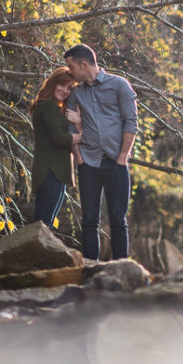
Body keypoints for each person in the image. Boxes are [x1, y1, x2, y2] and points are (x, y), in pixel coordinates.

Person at [63, 43, 138, 260]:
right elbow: (71, 128)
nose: (69, 71)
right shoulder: (76, 94)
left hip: (117, 163)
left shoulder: (119, 85)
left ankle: (122, 268)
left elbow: (131, 122)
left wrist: (123, 157)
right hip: (89, 164)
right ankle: (90, 270)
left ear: (83, 64)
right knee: (89, 220)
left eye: (71, 66)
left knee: (118, 220)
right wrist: (79, 158)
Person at [30, 68, 82, 228]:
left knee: (45, 221)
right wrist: (82, 136)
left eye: (69, 88)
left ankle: (33, 251)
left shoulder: (55, 108)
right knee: (43, 223)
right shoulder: (48, 106)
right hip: (50, 170)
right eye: (62, 85)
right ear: (53, 83)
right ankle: (31, 252)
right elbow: (59, 138)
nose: (65, 91)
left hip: (56, 171)